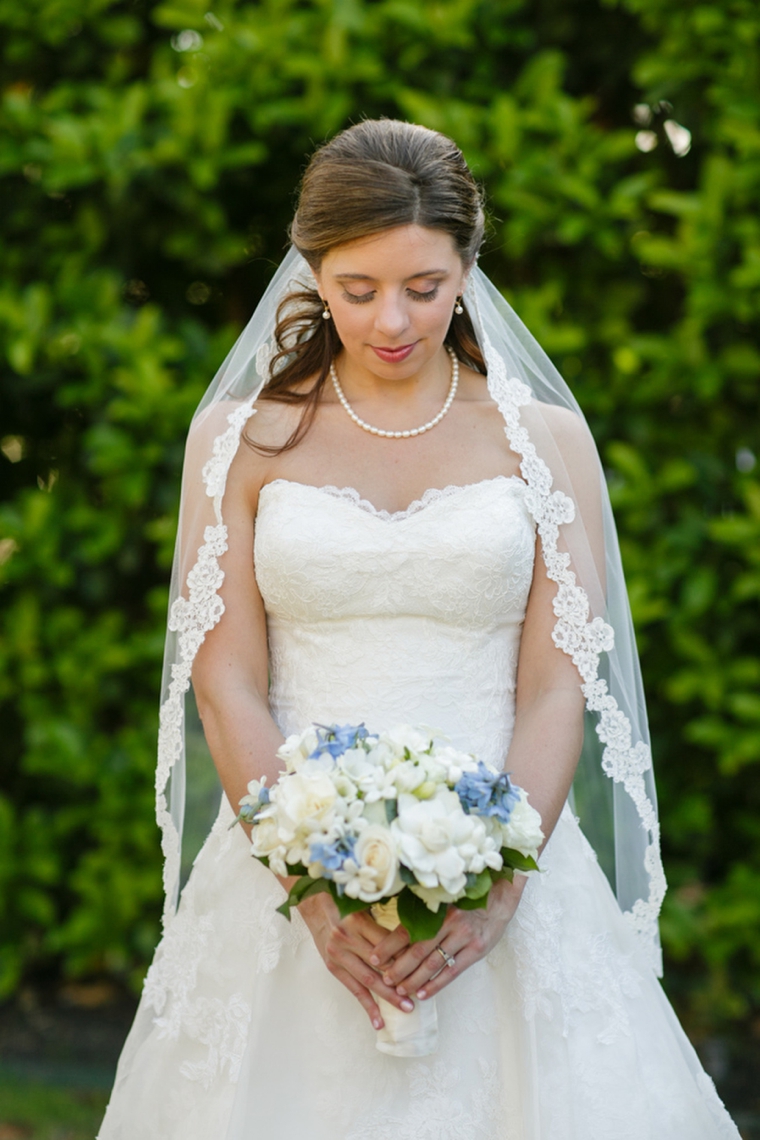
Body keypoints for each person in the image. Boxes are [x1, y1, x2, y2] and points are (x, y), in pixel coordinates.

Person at [98, 120, 740, 1140]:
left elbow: (551, 687)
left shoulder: (546, 444)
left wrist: (493, 894)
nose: (391, 319)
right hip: (285, 855)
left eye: (424, 287)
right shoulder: (238, 439)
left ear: (467, 268)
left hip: (503, 849)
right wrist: (308, 890)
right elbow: (225, 683)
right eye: (356, 290)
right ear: (312, 272)